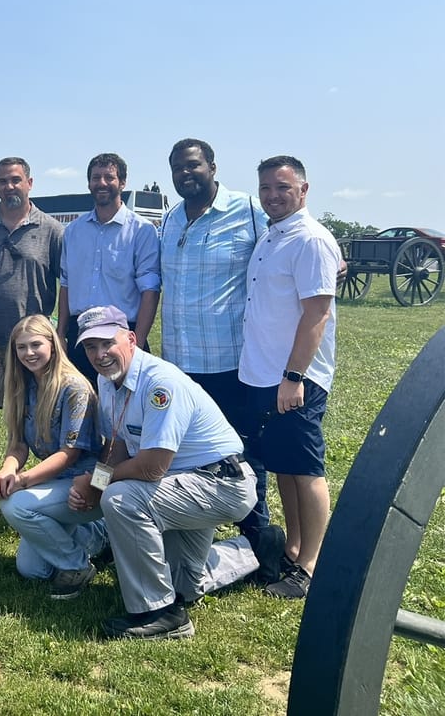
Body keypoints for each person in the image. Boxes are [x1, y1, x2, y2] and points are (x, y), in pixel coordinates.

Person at [69, 306, 260, 640]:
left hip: (219, 483)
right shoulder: (108, 379)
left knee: (122, 500)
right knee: (184, 584)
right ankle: (257, 549)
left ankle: (159, 614)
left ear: (130, 338)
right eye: (90, 347)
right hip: (182, 484)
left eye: (106, 343)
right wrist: (97, 480)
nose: (99, 355)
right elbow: (118, 445)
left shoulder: (160, 383)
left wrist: (97, 484)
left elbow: (151, 466)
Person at [159, 138, 281, 575]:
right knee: (181, 453)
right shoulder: (172, 218)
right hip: (180, 363)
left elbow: (289, 237)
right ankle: (182, 538)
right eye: (177, 167)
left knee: (242, 452)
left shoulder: (247, 209)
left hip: (230, 361)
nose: (185, 174)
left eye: (193, 165)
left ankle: (259, 542)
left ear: (212, 166)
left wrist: (331, 256)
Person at [240, 156, 341, 600]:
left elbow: (317, 313)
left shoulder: (312, 240)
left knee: (305, 468)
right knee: (282, 464)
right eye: (265, 188)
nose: (272, 196)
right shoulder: (270, 236)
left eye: (282, 187)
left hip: (295, 376)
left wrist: (294, 376)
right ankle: (294, 548)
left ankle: (311, 563)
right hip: (264, 373)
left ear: (303, 189)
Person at [0, 157, 64, 495]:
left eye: (16, 180)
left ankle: (35, 471)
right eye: (3, 181)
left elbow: (67, 284)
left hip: (34, 341)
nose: (10, 187)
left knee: (38, 407)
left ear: (30, 183)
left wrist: (58, 331)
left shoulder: (51, 230)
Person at [0, 315, 106, 599]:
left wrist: (22, 480)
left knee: (16, 505)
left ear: (53, 344)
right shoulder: (22, 385)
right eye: (21, 347)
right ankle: (93, 539)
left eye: (36, 344)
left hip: (87, 482)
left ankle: (78, 565)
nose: (28, 353)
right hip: (55, 482)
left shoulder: (74, 387)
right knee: (32, 570)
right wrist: (7, 470)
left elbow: (69, 454)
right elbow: (17, 444)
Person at [57, 153, 160, 384]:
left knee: (125, 407)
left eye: (109, 177)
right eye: (96, 178)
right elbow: (65, 285)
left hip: (121, 332)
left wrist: (138, 344)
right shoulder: (73, 232)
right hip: (80, 332)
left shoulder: (142, 231)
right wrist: (61, 334)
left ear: (122, 182)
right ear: (89, 183)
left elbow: (150, 292)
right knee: (82, 404)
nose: (101, 183)